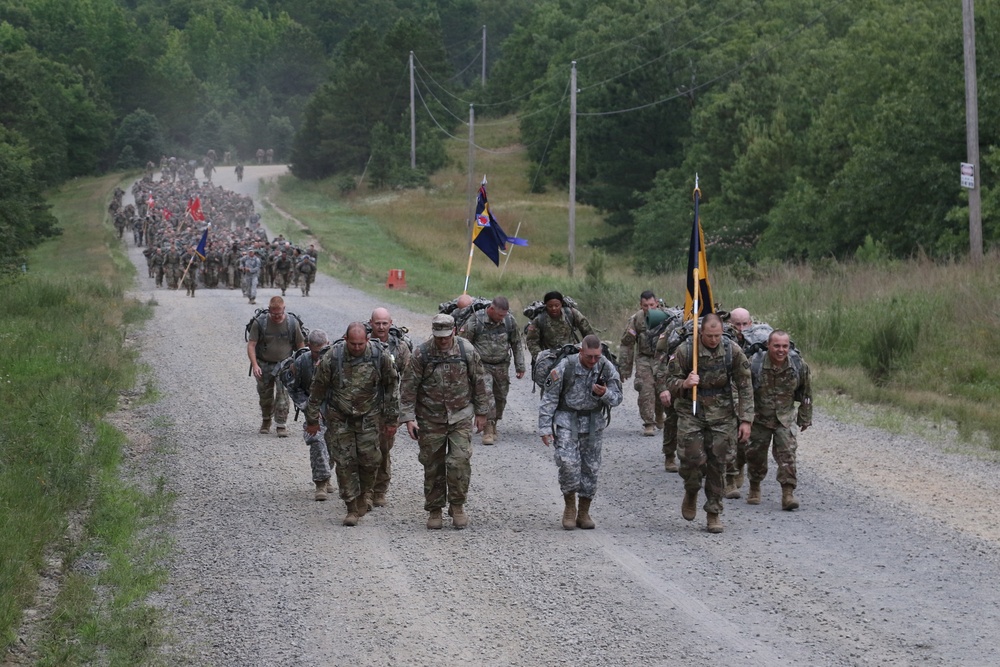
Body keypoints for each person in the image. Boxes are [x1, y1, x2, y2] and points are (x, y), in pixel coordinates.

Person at [663, 314, 753, 534]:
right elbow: (668, 381)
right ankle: (691, 490)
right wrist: (684, 383)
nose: (713, 340)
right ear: (701, 333)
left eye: (717, 335)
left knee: (718, 463)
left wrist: (746, 420)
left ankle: (713, 512)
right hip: (691, 410)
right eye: (709, 335)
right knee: (691, 458)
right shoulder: (686, 351)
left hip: (722, 413)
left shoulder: (732, 351)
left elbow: (745, 386)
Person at [400, 314, 491, 530]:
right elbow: (408, 387)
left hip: (460, 415)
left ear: (454, 331)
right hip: (430, 418)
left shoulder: (466, 351)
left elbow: (479, 381)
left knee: (459, 462)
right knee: (433, 465)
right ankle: (434, 509)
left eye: (446, 336)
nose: (442, 341)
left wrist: (482, 413)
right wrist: (408, 418)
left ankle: (457, 506)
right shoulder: (422, 353)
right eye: (438, 336)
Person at [304, 323, 399, 526]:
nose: (357, 348)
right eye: (353, 344)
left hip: (370, 415)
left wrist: (391, 419)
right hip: (340, 416)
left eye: (360, 344)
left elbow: (391, 387)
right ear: (346, 339)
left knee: (370, 460)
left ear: (367, 340)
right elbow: (317, 390)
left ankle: (365, 493)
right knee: (345, 462)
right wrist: (312, 421)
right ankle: (351, 506)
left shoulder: (379, 356)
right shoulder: (332, 357)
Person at [539, 334, 623, 530]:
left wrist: (605, 394)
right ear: (581, 352)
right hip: (567, 421)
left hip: (593, 424)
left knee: (591, 468)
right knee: (568, 464)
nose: (593, 361)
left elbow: (618, 398)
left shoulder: (605, 366)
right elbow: (549, 398)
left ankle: (584, 511)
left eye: (596, 356)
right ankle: (570, 507)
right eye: (589, 357)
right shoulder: (565, 366)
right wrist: (544, 427)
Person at [746, 330, 811, 510]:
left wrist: (805, 417)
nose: (781, 350)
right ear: (768, 345)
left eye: (785, 346)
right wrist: (744, 417)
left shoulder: (798, 365)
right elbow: (743, 391)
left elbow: (806, 393)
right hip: (760, 418)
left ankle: (788, 493)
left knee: (788, 454)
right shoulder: (755, 364)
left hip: (785, 418)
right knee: (755, 454)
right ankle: (754, 486)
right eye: (777, 346)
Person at [458, 296, 526, 445]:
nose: (502, 318)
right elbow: (463, 343)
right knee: (488, 396)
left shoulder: (509, 321)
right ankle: (488, 429)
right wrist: (465, 367)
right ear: (491, 309)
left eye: (504, 315)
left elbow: (516, 343)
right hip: (482, 366)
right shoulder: (476, 320)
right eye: (500, 315)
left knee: (500, 397)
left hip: (502, 365)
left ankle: (494, 422)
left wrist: (520, 365)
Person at [282, 330, 335, 501]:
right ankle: (320, 482)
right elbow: (293, 387)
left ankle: (327, 474)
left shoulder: (338, 359)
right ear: (308, 346)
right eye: (315, 351)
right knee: (317, 441)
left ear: (329, 343)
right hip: (313, 409)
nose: (319, 355)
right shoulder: (301, 363)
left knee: (334, 446)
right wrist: (307, 406)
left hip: (336, 408)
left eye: (323, 350)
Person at [368, 307, 412, 507]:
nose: (381, 327)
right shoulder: (362, 344)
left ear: (391, 323)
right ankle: (365, 489)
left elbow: (409, 379)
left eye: (385, 323)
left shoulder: (400, 348)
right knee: (365, 450)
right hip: (365, 408)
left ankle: (379, 490)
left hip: (389, 409)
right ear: (371, 323)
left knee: (384, 450)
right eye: (377, 323)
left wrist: (404, 410)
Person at [247, 296, 306, 437]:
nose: (277, 317)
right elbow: (251, 345)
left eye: (279, 314)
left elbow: (300, 345)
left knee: (283, 397)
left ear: (284, 309)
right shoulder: (260, 323)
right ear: (269, 310)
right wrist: (255, 365)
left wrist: (298, 365)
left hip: (285, 365)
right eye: (274, 314)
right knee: (265, 395)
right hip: (264, 364)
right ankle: (266, 420)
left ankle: (281, 424)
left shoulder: (292, 323)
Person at [619, 290, 667, 436]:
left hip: (661, 358)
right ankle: (648, 422)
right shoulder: (636, 320)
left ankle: (660, 414)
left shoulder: (666, 317)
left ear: (657, 304)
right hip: (644, 358)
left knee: (661, 389)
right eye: (645, 305)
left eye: (652, 305)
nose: (649, 308)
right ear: (641, 305)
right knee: (646, 388)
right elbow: (627, 344)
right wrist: (625, 368)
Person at [723, 306, 754, 498]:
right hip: (724, 396)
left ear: (751, 323)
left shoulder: (759, 343)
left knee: (744, 440)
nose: (741, 329)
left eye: (745, 324)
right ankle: (729, 479)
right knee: (726, 438)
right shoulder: (723, 342)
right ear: (729, 324)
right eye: (737, 324)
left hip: (746, 394)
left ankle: (739, 464)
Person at [525, 291, 594, 362]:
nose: (554, 308)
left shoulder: (571, 313)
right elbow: (532, 341)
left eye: (557, 305)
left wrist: (591, 350)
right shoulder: (539, 320)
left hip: (573, 355)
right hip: (550, 358)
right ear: (546, 305)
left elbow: (587, 331)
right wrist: (540, 357)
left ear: (561, 304)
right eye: (550, 306)